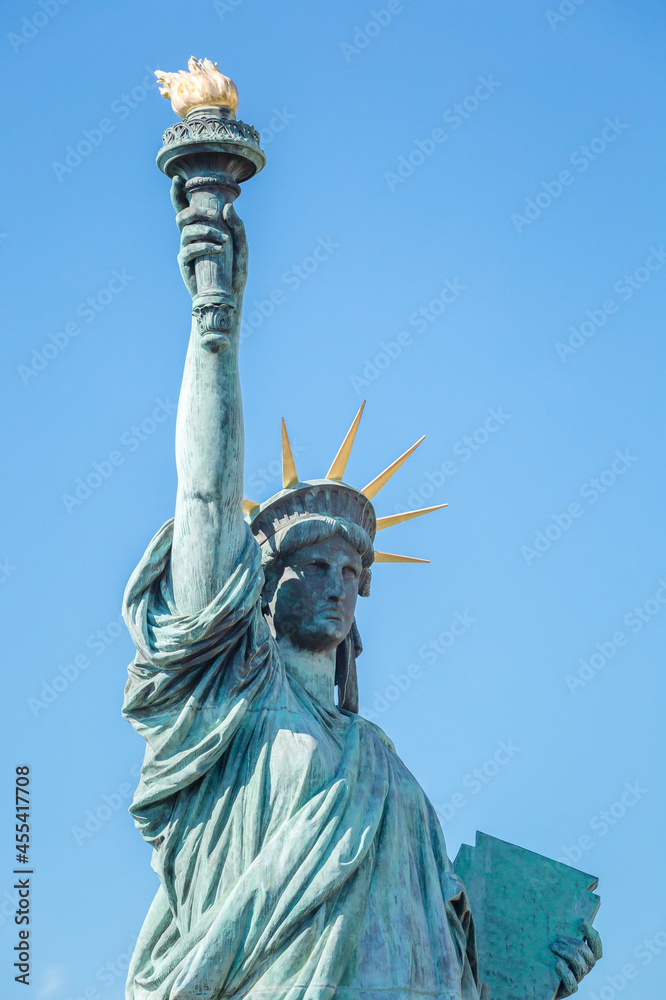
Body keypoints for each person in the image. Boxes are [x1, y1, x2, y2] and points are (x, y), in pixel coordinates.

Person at [122, 179, 599, 1000]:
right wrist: (215, 323)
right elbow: (204, 496)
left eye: (351, 573)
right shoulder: (224, 701)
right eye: (311, 565)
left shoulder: (383, 768)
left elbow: (446, 969)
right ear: (256, 590)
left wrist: (537, 979)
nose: (337, 583)